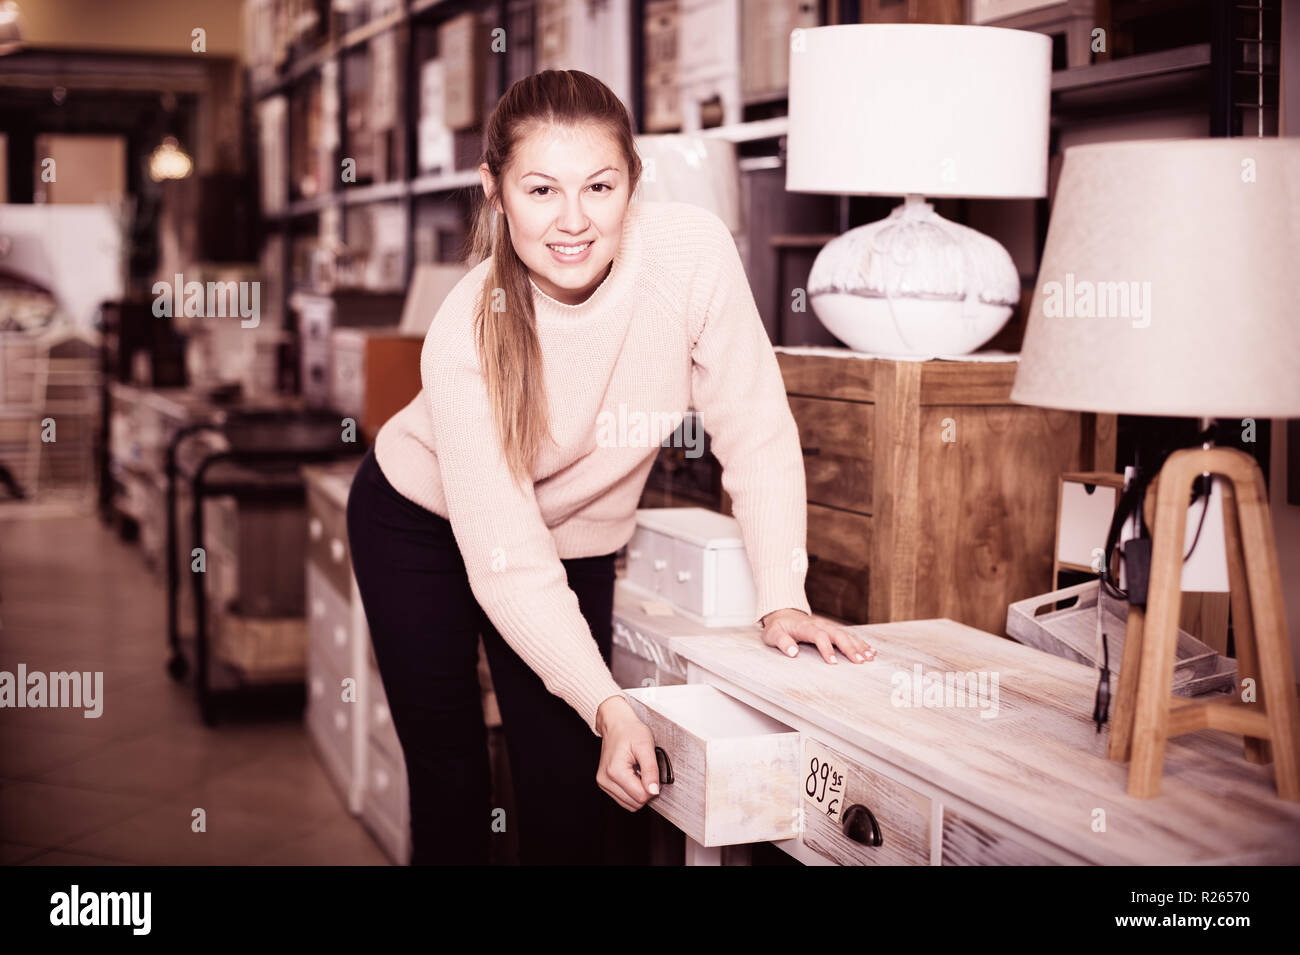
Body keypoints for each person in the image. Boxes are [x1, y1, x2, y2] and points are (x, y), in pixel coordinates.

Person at [345, 69, 875, 866]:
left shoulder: (690, 254)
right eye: (540, 189)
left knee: (568, 786)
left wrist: (781, 595)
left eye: (598, 185)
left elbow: (756, 427)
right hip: (417, 522)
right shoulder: (465, 332)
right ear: (494, 190)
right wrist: (606, 700)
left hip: (576, 537)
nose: (573, 220)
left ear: (634, 180)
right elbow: (510, 564)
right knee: (453, 778)